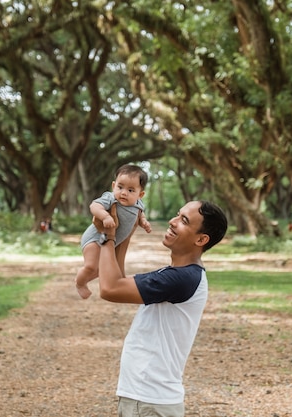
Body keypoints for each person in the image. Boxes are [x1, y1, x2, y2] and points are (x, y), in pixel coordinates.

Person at [96, 200, 228, 417]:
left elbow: (109, 289)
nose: (173, 222)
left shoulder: (180, 279)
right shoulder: (179, 274)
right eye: (178, 214)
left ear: (201, 239)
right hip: (146, 398)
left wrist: (107, 236)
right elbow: (117, 279)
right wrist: (125, 230)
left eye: (184, 220)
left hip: (149, 401)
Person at [75, 164, 152, 299]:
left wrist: (144, 222)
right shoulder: (110, 198)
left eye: (130, 190)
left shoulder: (138, 205)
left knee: (102, 270)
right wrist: (105, 216)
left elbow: (140, 215)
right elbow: (94, 205)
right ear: (113, 185)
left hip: (111, 241)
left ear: (140, 194)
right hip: (94, 238)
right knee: (91, 266)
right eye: (120, 187)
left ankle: (86, 278)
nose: (123, 193)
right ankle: (80, 283)